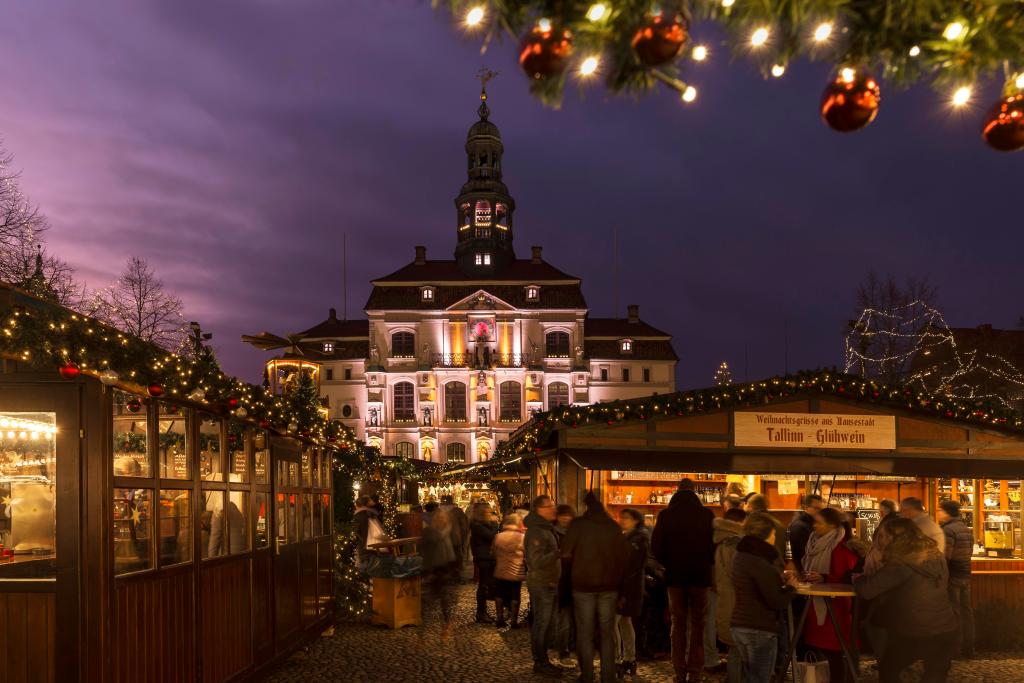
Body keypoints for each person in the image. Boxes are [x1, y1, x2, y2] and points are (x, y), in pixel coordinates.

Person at [853, 517, 959, 683]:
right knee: (934, 676)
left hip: (915, 630)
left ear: (896, 538)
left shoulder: (902, 562)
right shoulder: (936, 555)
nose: (880, 540)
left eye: (884, 536)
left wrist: (857, 579)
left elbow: (867, 589)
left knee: (889, 669)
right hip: (945, 628)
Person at [651, 478, 714, 682]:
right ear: (695, 492)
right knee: (698, 624)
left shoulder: (666, 515)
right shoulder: (706, 515)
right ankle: (695, 671)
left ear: (677, 492)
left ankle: (679, 670)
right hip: (700, 577)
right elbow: (714, 547)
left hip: (675, 578)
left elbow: (656, 548)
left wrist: (669, 562)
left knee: (678, 624)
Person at [562, 492, 628, 683]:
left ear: (586, 507)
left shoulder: (577, 525)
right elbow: (624, 558)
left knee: (585, 633)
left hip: (583, 585)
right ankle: (608, 676)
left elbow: (566, 552)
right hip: (609, 586)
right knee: (607, 634)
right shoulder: (613, 527)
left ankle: (587, 675)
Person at [730, 511, 799, 683]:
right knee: (760, 678)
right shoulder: (759, 560)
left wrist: (777, 578)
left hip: (741, 624)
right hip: (759, 627)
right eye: (774, 534)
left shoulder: (742, 554)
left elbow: (754, 585)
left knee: (749, 676)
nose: (775, 537)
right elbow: (776, 600)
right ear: (766, 535)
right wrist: (791, 588)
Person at [801, 507, 860, 683]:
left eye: (819, 522)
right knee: (827, 650)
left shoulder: (842, 547)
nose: (814, 526)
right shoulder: (815, 542)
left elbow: (848, 578)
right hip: (819, 605)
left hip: (836, 608)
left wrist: (824, 577)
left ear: (832, 526)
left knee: (836, 651)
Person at [524, 495, 564, 677]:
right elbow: (536, 560)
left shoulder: (546, 528)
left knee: (549, 625)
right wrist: (558, 554)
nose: (554, 509)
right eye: (550, 506)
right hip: (542, 584)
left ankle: (543, 660)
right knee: (542, 624)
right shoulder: (536, 531)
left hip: (549, 582)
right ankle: (540, 662)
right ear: (540, 509)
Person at [712, 507, 746, 683]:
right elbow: (740, 576)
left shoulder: (721, 543)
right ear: (740, 523)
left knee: (734, 651)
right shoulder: (736, 545)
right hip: (738, 606)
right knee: (739, 653)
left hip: (725, 604)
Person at [616, 508, 651, 677]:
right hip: (629, 587)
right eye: (621, 517)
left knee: (612, 624)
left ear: (636, 520)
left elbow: (630, 567)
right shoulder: (630, 537)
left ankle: (617, 659)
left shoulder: (637, 540)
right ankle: (629, 658)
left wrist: (623, 593)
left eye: (626, 518)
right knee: (624, 622)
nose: (622, 520)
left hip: (628, 588)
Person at [938, 500, 975, 658]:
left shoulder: (948, 530)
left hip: (952, 575)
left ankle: (955, 650)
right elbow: (970, 551)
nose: (938, 513)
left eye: (940, 510)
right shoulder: (965, 529)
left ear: (947, 512)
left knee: (954, 613)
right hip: (965, 574)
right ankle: (969, 649)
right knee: (967, 612)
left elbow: (946, 556)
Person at [420, 508, 458, 641]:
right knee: (433, 600)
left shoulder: (447, 533)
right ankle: (432, 630)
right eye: (440, 518)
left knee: (442, 600)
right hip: (433, 569)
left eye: (444, 518)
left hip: (442, 570)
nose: (443, 520)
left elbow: (453, 551)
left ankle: (445, 627)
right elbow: (425, 551)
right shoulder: (432, 533)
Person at [492, 514, 526, 629]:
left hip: (500, 570)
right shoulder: (522, 537)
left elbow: (493, 552)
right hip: (516, 571)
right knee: (515, 595)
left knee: (499, 594)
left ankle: (500, 618)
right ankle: (513, 621)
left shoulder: (498, 536)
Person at [554, 504, 576, 666]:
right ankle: (563, 651)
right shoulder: (553, 534)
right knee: (564, 619)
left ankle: (571, 648)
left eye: (568, 515)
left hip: (577, 580)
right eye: (562, 515)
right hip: (561, 581)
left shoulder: (576, 534)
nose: (565, 518)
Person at [469, 502, 499, 623]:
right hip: (483, 558)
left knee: (486, 584)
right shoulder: (477, 525)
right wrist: (495, 523)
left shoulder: (481, 524)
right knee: (483, 585)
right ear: (483, 513)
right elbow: (491, 536)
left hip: (486, 556)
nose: (490, 513)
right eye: (488, 511)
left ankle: (483, 611)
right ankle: (481, 613)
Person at [744, 494, 787, 568]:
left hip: (761, 568)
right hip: (778, 567)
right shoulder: (779, 524)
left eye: (747, 504)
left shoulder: (752, 525)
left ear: (750, 506)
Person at [788, 494, 825, 574]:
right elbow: (805, 553)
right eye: (816, 508)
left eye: (821, 509)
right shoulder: (800, 526)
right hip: (804, 570)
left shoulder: (809, 523)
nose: (819, 512)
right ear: (806, 508)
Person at [440, 494, 470, 571]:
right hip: (455, 538)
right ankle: (455, 574)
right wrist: (463, 537)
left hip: (441, 539)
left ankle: (446, 574)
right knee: (456, 556)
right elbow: (464, 527)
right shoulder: (458, 511)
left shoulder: (438, 511)